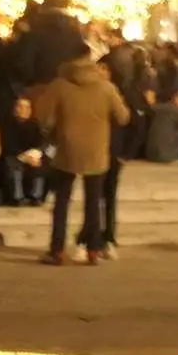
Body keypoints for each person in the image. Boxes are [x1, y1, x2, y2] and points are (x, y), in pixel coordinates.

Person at [29, 29, 130, 266]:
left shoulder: (59, 85)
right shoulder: (105, 86)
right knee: (93, 200)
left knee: (62, 200)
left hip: (66, 148)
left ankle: (57, 249)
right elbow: (123, 116)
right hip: (97, 149)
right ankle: (93, 248)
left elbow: (43, 117)